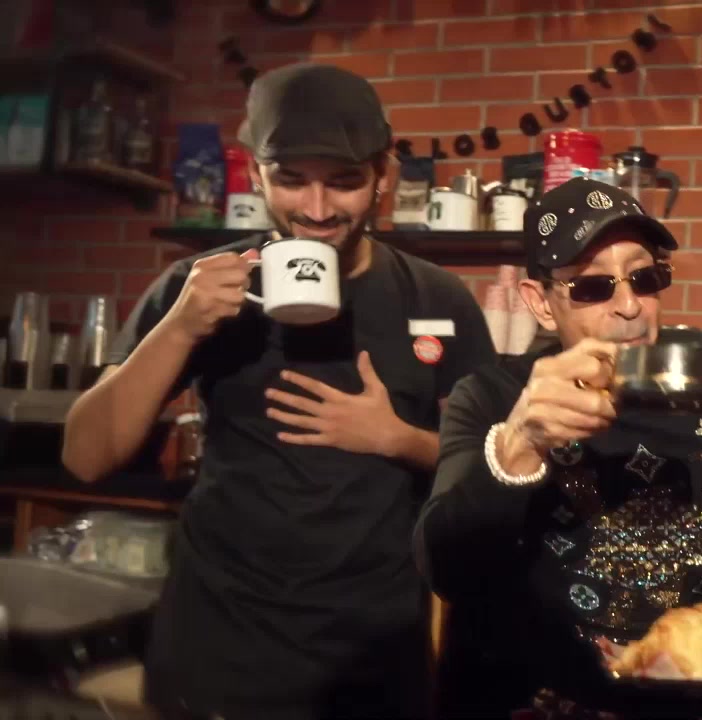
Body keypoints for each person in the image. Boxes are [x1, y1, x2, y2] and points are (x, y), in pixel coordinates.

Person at [61, 63, 496, 719]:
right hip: (218, 647)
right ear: (255, 173)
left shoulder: (437, 298)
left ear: (383, 173)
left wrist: (397, 439)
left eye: (344, 181)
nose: (317, 210)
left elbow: (496, 463)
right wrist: (180, 327)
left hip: (375, 655)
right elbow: (85, 456)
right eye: (291, 180)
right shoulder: (198, 286)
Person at [415, 177, 702, 718]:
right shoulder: (495, 396)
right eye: (593, 287)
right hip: (563, 699)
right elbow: (446, 569)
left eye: (645, 278)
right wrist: (522, 442)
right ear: (541, 304)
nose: (629, 306)